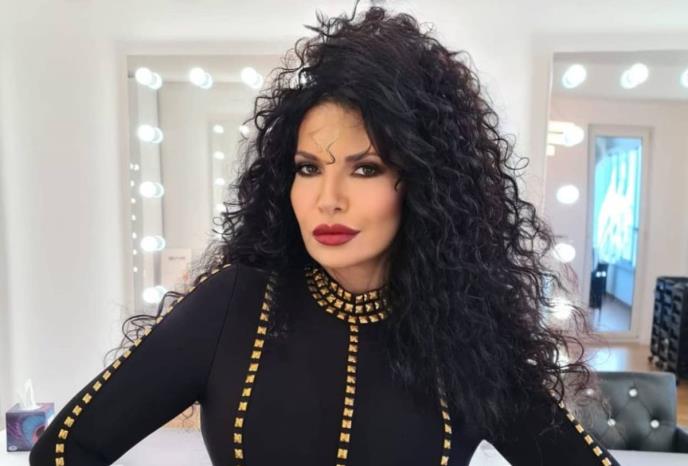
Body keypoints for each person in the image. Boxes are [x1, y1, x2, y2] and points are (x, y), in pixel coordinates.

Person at [29, 2, 620, 465]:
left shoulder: (468, 335)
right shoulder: (232, 306)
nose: (327, 198)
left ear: (425, 185)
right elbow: (65, 450)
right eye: (308, 168)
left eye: (366, 169)